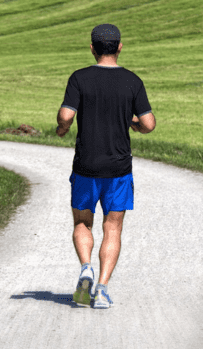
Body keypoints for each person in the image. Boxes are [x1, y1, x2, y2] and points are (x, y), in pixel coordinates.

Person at [56, 24, 156, 309]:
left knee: (82, 222)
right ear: (120, 47)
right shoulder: (132, 81)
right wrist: (133, 123)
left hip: (86, 165)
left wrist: (62, 128)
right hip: (118, 168)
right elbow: (148, 124)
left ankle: (85, 267)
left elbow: (66, 115)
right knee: (113, 228)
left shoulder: (79, 78)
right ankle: (101, 289)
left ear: (92, 48)